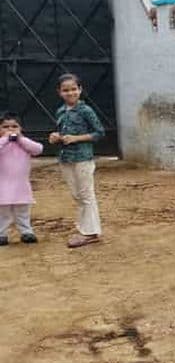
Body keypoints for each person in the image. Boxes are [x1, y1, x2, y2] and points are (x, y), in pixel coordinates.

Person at [48, 73, 105, 248]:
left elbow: (99, 133)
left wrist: (76, 138)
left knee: (86, 195)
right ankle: (84, 227)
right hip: (66, 158)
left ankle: (91, 233)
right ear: (59, 92)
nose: (70, 93)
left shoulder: (85, 110)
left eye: (74, 89)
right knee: (77, 195)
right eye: (66, 90)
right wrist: (55, 137)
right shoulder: (60, 111)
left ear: (80, 90)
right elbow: (61, 132)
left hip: (83, 157)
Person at [0, 112, 43, 245]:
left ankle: (26, 232)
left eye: (14, 126)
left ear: (20, 128)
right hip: (2, 184)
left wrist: (21, 138)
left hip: (21, 185)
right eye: (5, 127)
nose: (10, 130)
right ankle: (2, 234)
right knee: (3, 213)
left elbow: (38, 149)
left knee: (23, 211)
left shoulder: (24, 143)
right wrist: (5, 139)